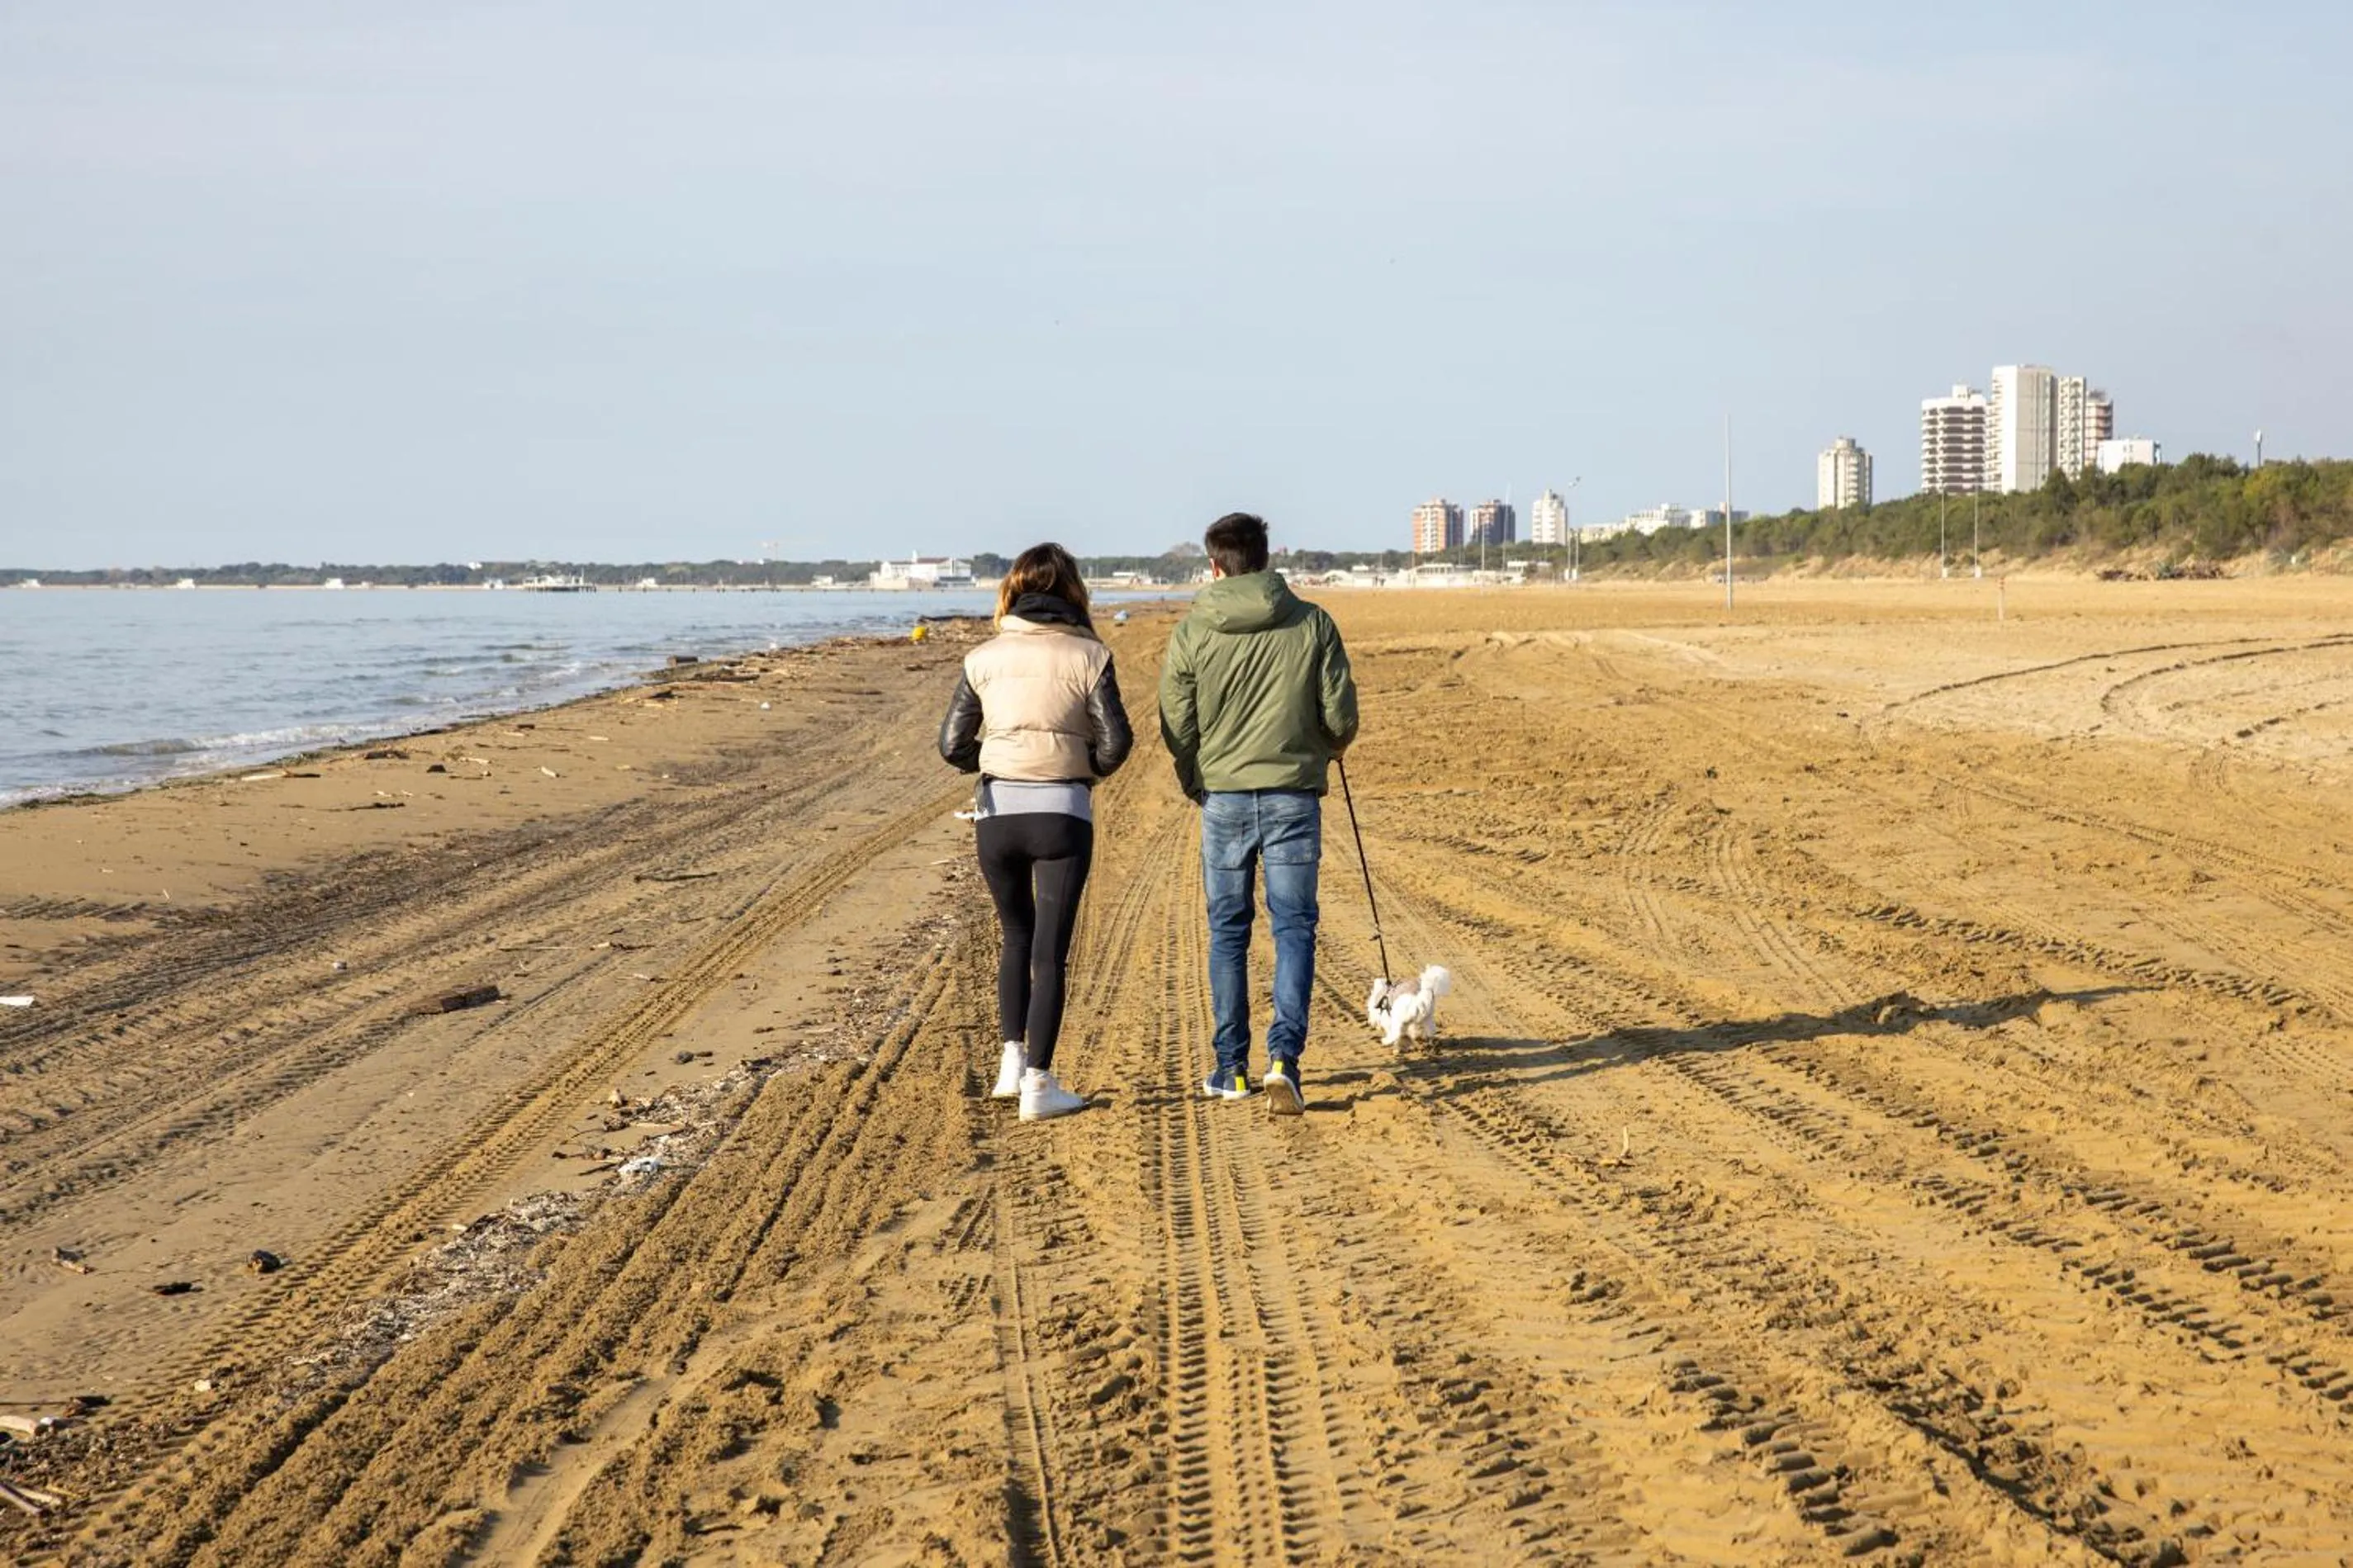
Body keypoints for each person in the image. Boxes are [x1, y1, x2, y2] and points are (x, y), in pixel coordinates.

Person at [1158, 513, 1358, 1116]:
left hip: (1223, 797)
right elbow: (1340, 718)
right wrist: (1321, 752)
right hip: (1292, 795)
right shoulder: (1312, 622)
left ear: (1214, 565)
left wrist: (1197, 779)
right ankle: (1283, 1061)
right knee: (1293, 926)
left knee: (1228, 930)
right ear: (1266, 559)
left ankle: (1230, 1068)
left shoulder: (1194, 630)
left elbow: (1176, 724)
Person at [939, 542, 1131, 1120]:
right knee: (1049, 952)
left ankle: (1010, 1064)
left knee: (1014, 936)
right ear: (1073, 591)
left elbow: (952, 746)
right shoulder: (1090, 655)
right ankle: (1040, 1086)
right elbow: (1116, 742)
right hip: (1061, 813)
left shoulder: (982, 658)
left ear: (1013, 592)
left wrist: (1002, 757)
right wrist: (1080, 770)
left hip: (996, 814)